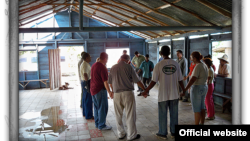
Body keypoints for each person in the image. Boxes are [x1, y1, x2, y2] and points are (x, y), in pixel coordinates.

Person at [141, 46, 185, 139]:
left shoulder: (159, 65)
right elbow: (180, 80)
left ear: (161, 53)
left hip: (163, 95)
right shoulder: (175, 64)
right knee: (174, 114)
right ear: (169, 53)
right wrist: (184, 90)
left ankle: (162, 133)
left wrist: (146, 90)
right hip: (174, 94)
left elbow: (153, 81)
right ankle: (174, 132)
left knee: (162, 114)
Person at [108, 54, 146, 141]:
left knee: (118, 114)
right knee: (130, 114)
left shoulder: (113, 67)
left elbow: (110, 82)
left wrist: (112, 91)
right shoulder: (129, 67)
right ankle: (131, 135)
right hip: (128, 93)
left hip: (116, 94)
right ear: (128, 60)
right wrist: (144, 89)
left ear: (120, 59)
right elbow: (137, 80)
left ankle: (121, 134)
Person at [180, 51, 208, 125]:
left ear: (195, 58)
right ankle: (202, 123)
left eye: (191, 57)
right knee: (202, 107)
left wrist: (185, 89)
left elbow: (192, 79)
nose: (190, 59)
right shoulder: (204, 65)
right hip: (204, 86)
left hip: (197, 88)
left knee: (196, 109)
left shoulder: (197, 66)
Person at [90, 52, 113, 130]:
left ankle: (97, 124)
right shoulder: (102, 67)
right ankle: (102, 125)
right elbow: (105, 81)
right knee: (102, 108)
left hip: (93, 89)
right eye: (107, 59)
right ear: (105, 59)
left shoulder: (94, 65)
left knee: (96, 108)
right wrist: (109, 92)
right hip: (100, 90)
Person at [80, 52, 94, 119]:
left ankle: (85, 113)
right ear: (86, 58)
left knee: (85, 98)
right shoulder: (85, 65)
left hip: (85, 81)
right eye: (89, 57)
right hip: (86, 82)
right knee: (88, 99)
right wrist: (87, 84)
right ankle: (89, 115)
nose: (90, 58)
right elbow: (85, 74)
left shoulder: (85, 64)